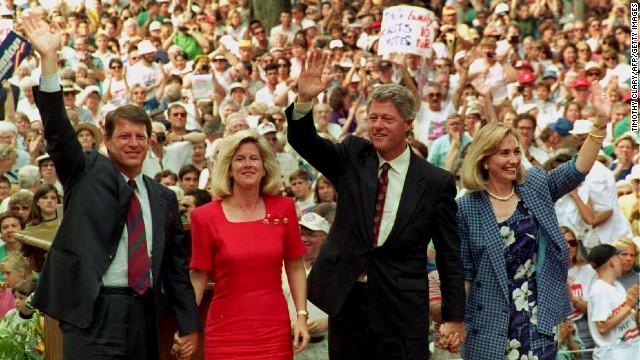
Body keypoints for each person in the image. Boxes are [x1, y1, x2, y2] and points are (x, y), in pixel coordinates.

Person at [21, 15, 200, 360]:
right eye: (124, 136)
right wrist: (48, 60)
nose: (133, 144)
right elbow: (57, 129)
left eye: (140, 137)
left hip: (144, 314)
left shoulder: (163, 198)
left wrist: (188, 324)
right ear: (106, 139)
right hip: (92, 312)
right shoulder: (85, 170)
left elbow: (175, 271)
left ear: (149, 143)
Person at [287, 49, 465, 359]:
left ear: (408, 124)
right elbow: (305, 143)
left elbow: (449, 252)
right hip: (349, 298)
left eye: (387, 119)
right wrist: (304, 99)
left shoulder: (435, 182)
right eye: (373, 118)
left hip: (402, 307)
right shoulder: (353, 155)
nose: (378, 126)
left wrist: (453, 317)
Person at [457, 79, 611, 359]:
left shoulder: (534, 186)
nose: (514, 159)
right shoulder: (466, 208)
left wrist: (599, 124)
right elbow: (466, 275)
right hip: (487, 325)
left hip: (538, 320)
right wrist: (453, 321)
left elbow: (575, 171)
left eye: (516, 151)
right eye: (504, 153)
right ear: (483, 160)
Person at [189, 129, 310, 359]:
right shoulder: (204, 217)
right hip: (225, 334)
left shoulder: (284, 208)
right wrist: (187, 325)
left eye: (254, 158)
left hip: (274, 333)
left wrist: (301, 316)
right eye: (240, 159)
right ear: (229, 168)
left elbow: (295, 266)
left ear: (265, 168)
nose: (248, 164)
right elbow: (198, 276)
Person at [284, 212, 331, 360]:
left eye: (311, 235)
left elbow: (350, 307)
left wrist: (327, 322)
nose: (304, 239)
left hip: (322, 348)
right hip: (289, 347)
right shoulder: (283, 265)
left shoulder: (334, 269)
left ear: (324, 239)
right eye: (301, 234)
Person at [586, 244, 639, 359]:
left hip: (630, 352)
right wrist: (628, 307)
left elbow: (623, 318)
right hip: (612, 355)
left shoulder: (617, 285)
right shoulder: (599, 289)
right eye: (617, 256)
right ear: (611, 262)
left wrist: (636, 312)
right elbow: (603, 327)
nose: (621, 260)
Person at [564, 225, 597, 359]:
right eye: (563, 242)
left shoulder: (587, 271)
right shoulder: (545, 272)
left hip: (582, 325)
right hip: (557, 329)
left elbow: (594, 308)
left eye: (572, 243)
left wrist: (573, 299)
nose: (568, 246)